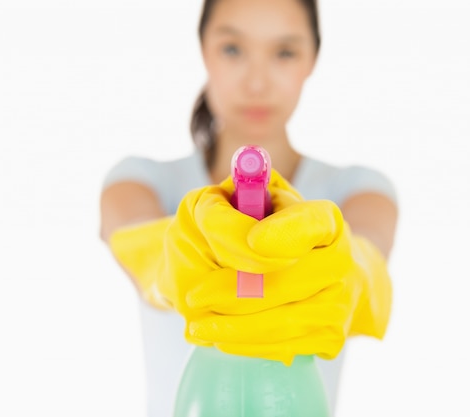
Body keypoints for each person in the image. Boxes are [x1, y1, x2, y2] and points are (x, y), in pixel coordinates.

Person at [99, 0, 399, 416]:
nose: (257, 83)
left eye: (284, 52)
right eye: (233, 49)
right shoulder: (141, 181)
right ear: (204, 50)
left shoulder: (357, 190)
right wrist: (175, 258)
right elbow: (138, 242)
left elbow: (366, 255)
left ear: (313, 58)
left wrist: (343, 267)